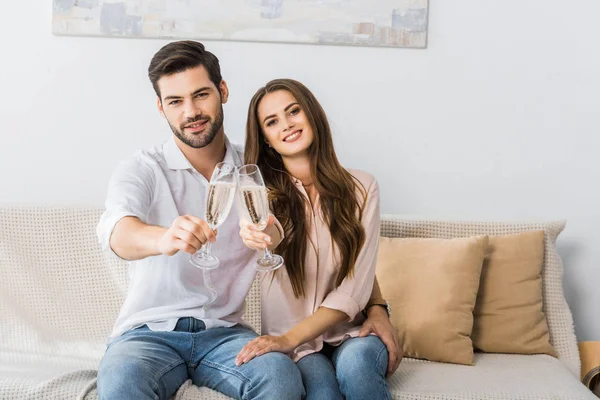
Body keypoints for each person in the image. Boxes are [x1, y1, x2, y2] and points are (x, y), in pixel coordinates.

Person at [96, 40, 399, 400]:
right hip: (146, 332)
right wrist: (162, 239)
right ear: (161, 108)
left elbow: (331, 235)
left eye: (201, 94)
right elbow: (117, 231)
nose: (191, 111)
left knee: (280, 378)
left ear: (222, 91)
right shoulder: (142, 169)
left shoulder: (260, 169)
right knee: (120, 382)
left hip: (226, 333)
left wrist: (377, 306)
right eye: (175, 101)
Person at [237, 78, 394, 399]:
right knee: (323, 394)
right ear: (266, 139)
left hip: (353, 333)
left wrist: (379, 310)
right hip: (299, 346)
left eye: (293, 111)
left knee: (357, 367)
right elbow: (271, 231)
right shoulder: (258, 194)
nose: (287, 125)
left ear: (312, 114)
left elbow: (356, 286)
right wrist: (262, 234)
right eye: (272, 121)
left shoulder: (363, 188)